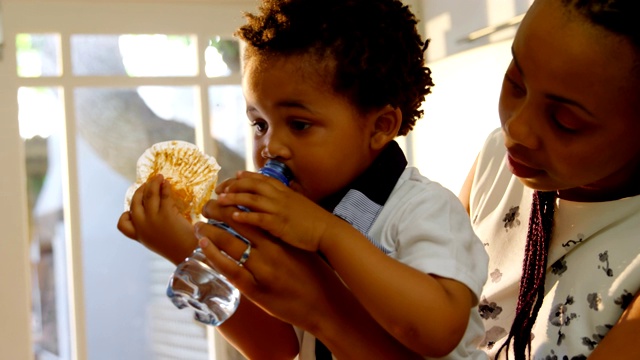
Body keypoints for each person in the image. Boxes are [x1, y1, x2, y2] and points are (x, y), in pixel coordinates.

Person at [118, 0, 489, 358]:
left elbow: (438, 331)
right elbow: (275, 348)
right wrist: (185, 248)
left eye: (299, 124)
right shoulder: (290, 221)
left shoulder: (422, 209)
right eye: (259, 124)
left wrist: (326, 233)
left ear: (380, 126)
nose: (271, 146)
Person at [457, 0, 640, 359]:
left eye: (565, 121)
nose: (516, 129)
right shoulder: (499, 160)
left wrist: (326, 312)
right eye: (515, 82)